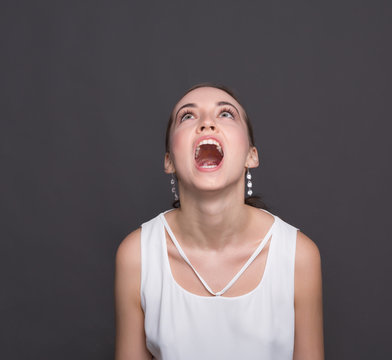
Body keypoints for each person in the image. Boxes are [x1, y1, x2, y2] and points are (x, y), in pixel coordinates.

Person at [114, 84, 324, 360]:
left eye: (226, 114)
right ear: (169, 161)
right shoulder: (136, 255)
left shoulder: (299, 256)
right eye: (188, 117)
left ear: (252, 155)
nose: (207, 123)